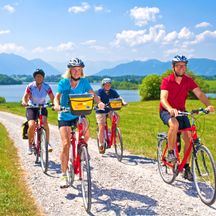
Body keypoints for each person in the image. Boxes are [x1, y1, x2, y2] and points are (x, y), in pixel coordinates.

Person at [160, 55, 215, 181]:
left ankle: (186, 167)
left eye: (183, 65)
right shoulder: (167, 80)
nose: (181, 67)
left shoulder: (188, 80)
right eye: (178, 65)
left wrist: (208, 105)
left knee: (189, 138)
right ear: (173, 67)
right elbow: (163, 98)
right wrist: (170, 109)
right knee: (174, 125)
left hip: (182, 111)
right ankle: (170, 153)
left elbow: (199, 93)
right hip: (166, 110)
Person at [53, 58, 104, 188]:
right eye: (74, 70)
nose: (76, 72)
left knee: (86, 134)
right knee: (66, 144)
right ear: (70, 71)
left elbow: (93, 94)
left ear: (82, 71)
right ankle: (63, 175)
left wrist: (99, 102)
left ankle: (82, 150)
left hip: (79, 113)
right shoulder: (64, 82)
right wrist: (57, 105)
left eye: (79, 70)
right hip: (65, 115)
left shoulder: (84, 82)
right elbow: (57, 96)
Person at [22, 69, 54, 155]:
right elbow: (25, 96)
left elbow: (52, 97)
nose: (39, 78)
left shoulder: (47, 87)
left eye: (41, 76)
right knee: (32, 125)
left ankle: (47, 143)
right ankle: (29, 145)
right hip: (32, 107)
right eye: (37, 76)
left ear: (43, 78)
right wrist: (24, 102)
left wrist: (54, 103)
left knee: (44, 122)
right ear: (35, 78)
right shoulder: (30, 86)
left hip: (42, 106)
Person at [96, 77, 127, 154]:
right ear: (103, 85)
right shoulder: (100, 91)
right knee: (102, 127)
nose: (108, 86)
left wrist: (123, 102)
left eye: (109, 84)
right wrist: (100, 103)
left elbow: (119, 97)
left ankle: (113, 130)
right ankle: (101, 144)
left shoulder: (112, 91)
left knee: (117, 117)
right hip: (101, 111)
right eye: (106, 84)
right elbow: (98, 98)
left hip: (109, 110)